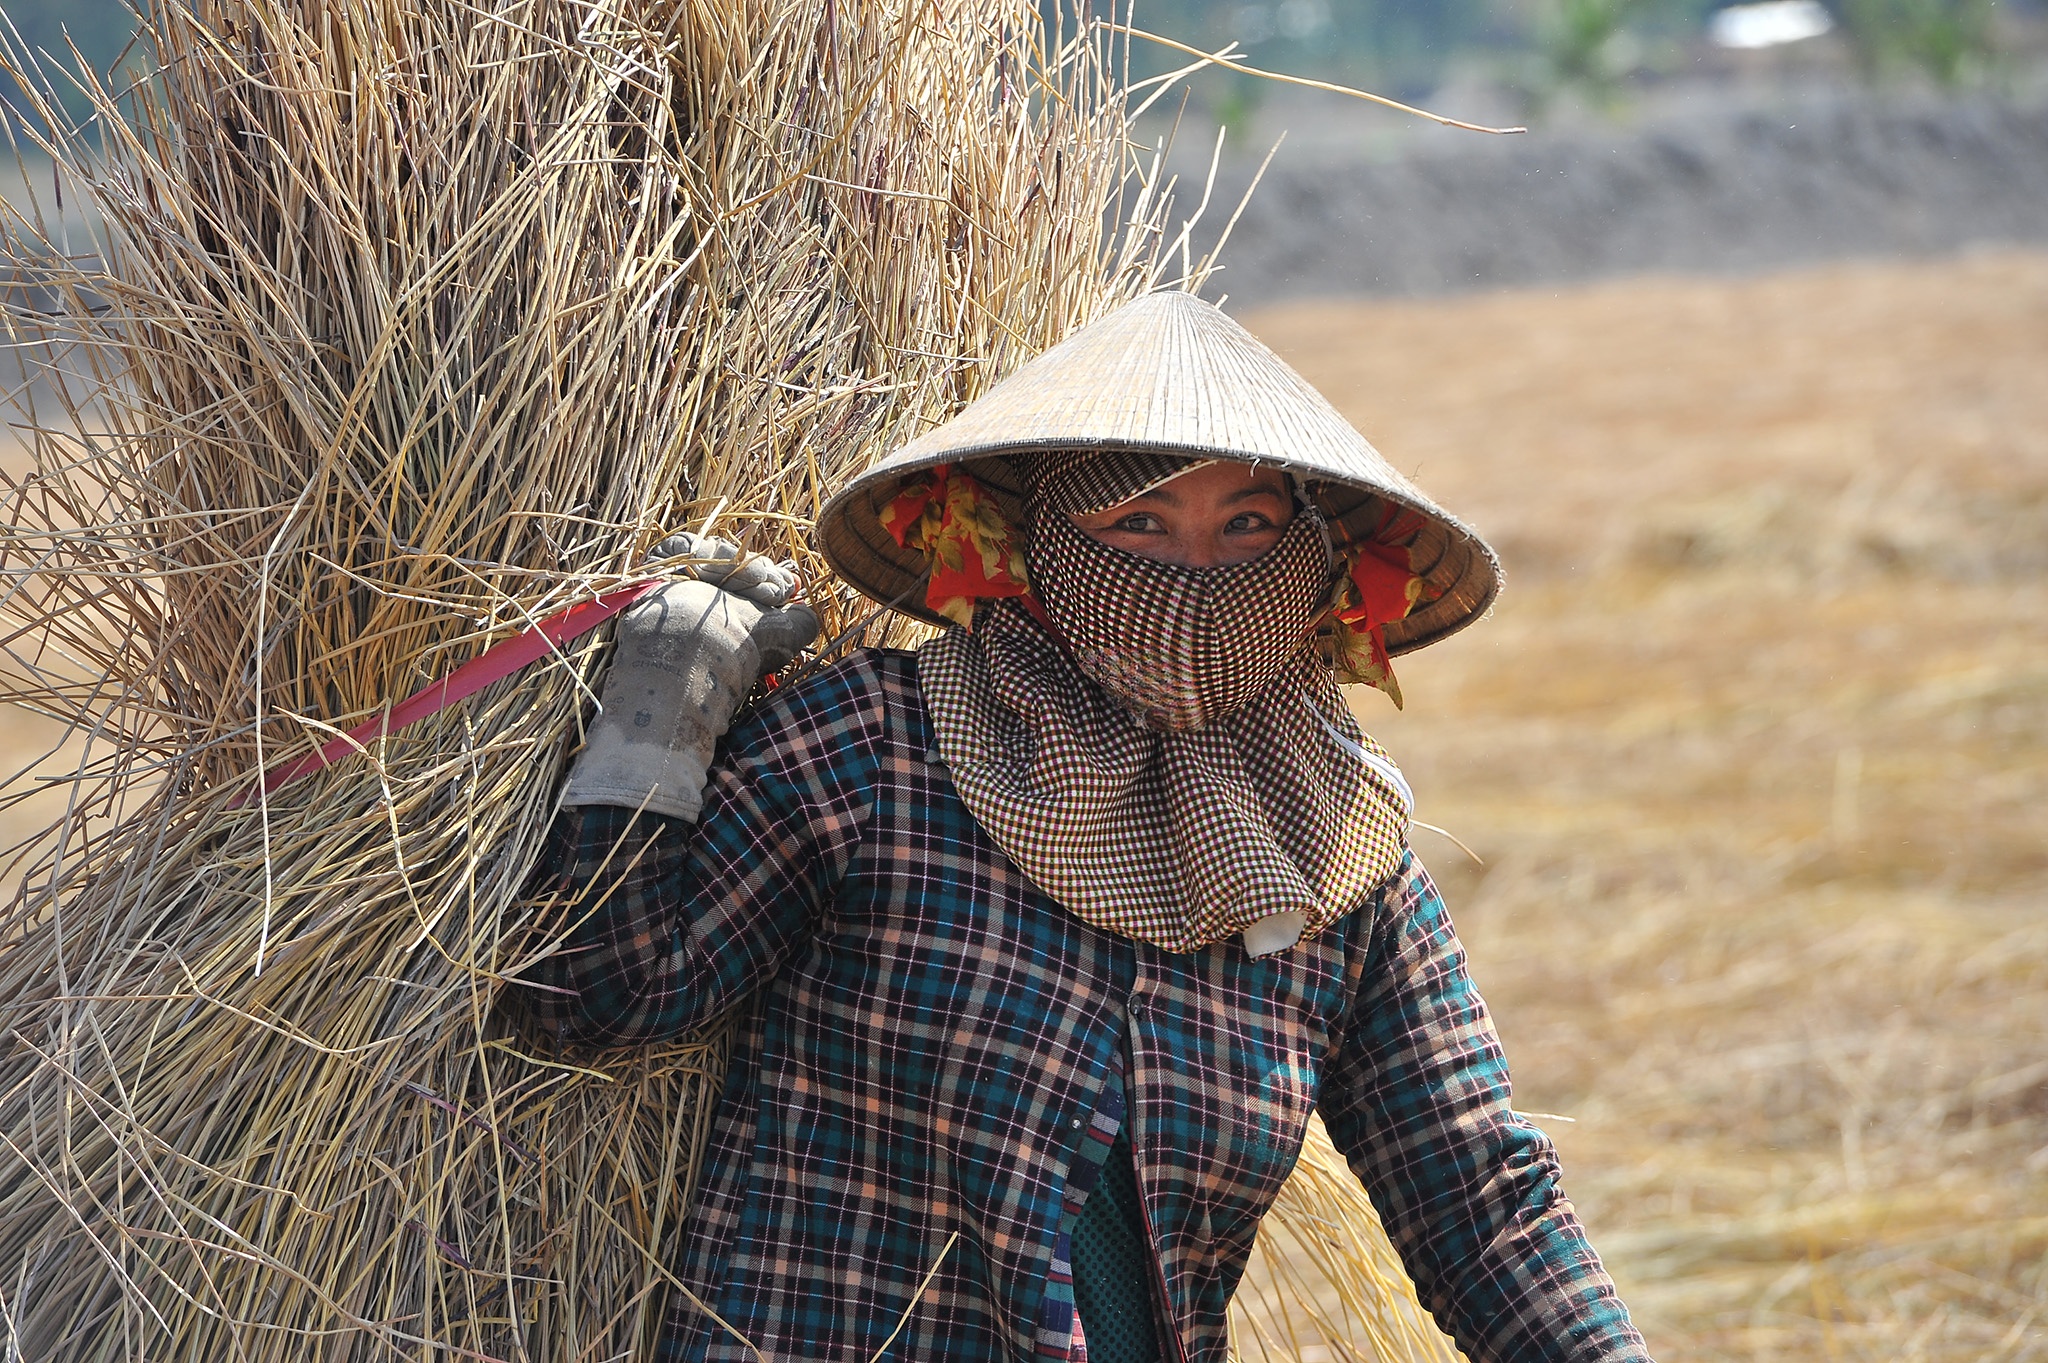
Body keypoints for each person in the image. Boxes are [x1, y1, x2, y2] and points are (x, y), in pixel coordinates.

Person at [521, 292, 1652, 1363]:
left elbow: (1476, 1196)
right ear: (1040, 546)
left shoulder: (1335, 858)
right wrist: (657, 718)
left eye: (1247, 524)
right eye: (1140, 522)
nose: (1196, 577)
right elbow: (595, 993)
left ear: (1314, 563)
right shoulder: (880, 749)